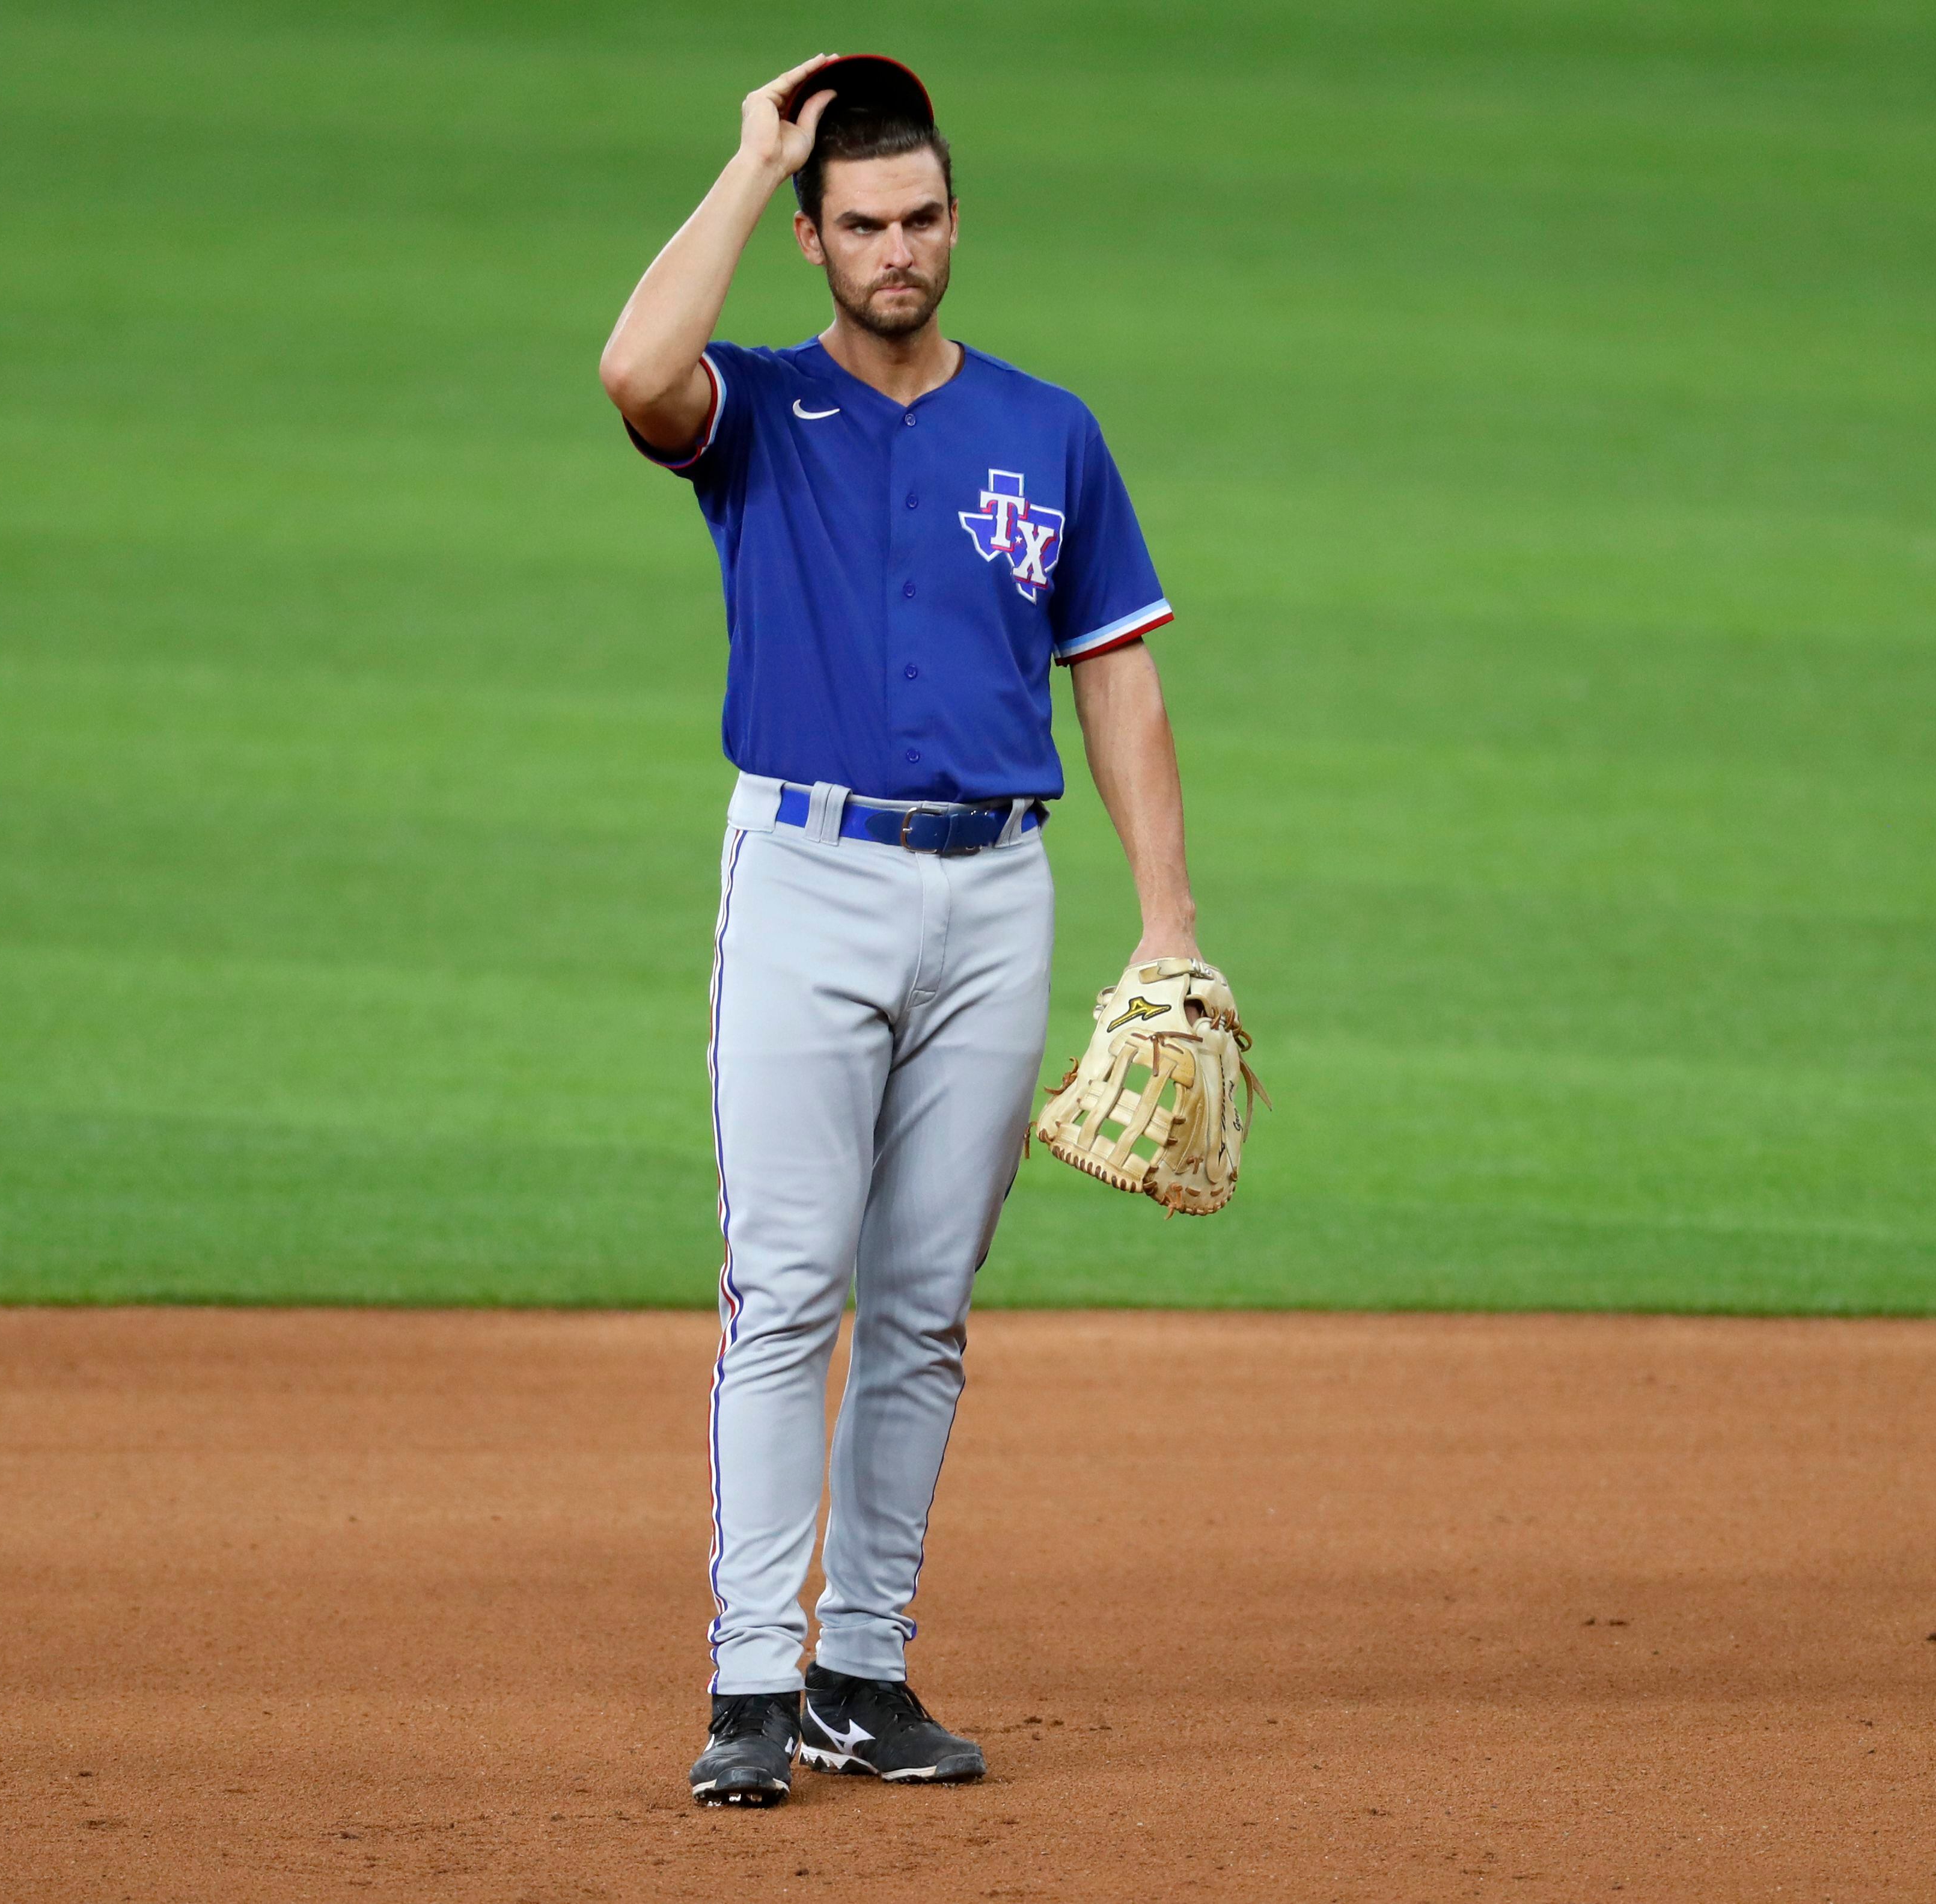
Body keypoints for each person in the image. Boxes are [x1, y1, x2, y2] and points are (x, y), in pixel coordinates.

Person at [597, 52, 1203, 1808]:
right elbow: (636, 371)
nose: (899, 252)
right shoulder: (758, 414)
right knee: (789, 1287)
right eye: (861, 224)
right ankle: (746, 1685)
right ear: (811, 237)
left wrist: (1165, 927)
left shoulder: (1047, 431)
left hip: (1000, 893)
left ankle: (861, 1666)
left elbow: (1121, 677)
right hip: (807, 878)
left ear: (956, 221)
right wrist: (743, 161)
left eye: (923, 218)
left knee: (925, 1303)